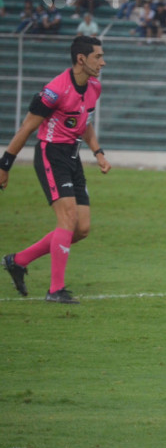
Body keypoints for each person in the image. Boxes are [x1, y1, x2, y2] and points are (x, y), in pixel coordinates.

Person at [1, 36, 111, 304]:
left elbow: (84, 123)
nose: (103, 62)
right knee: (68, 218)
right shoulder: (54, 90)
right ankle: (55, 290)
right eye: (98, 56)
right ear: (81, 59)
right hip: (51, 154)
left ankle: (19, 260)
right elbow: (27, 128)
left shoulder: (94, 87)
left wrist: (98, 152)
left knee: (81, 228)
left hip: (72, 156)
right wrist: (4, 165)